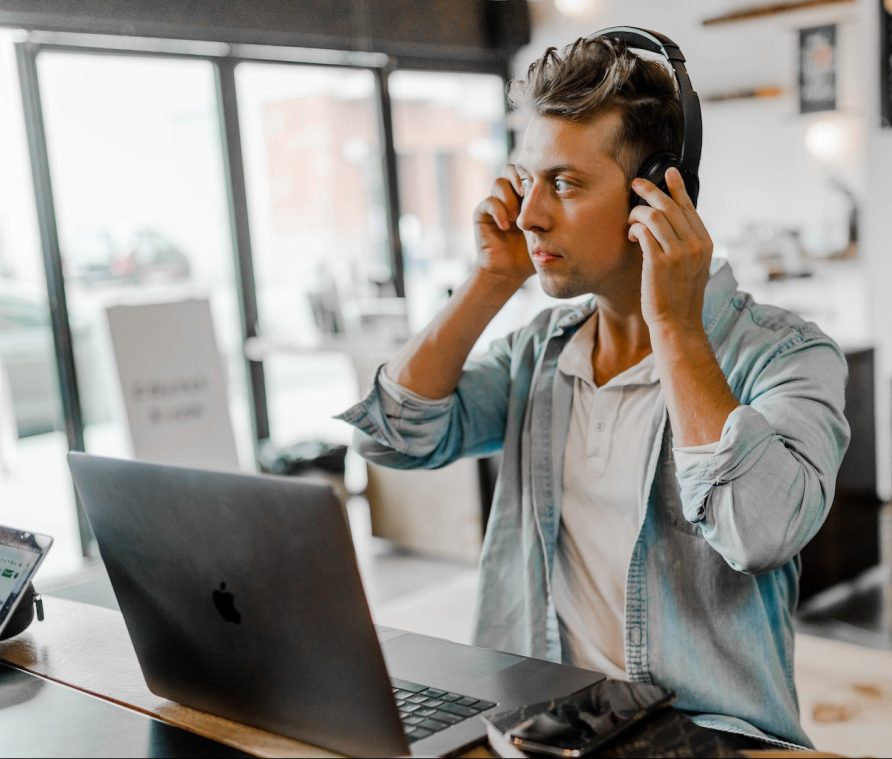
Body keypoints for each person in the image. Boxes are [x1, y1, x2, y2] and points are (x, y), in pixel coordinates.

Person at [338, 34, 850, 749]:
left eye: (567, 184)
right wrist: (491, 281)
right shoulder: (539, 354)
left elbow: (758, 531)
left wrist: (674, 320)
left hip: (703, 739)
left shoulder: (787, 356)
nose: (529, 216)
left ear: (660, 193)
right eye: (526, 181)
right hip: (534, 728)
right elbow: (389, 436)